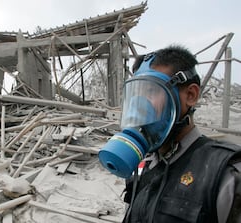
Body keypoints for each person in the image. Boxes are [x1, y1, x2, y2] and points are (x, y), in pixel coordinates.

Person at [98, 45, 241, 223]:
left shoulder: (225, 175)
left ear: (191, 95)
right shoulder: (143, 166)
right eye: (136, 93)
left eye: (151, 91)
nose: (139, 104)